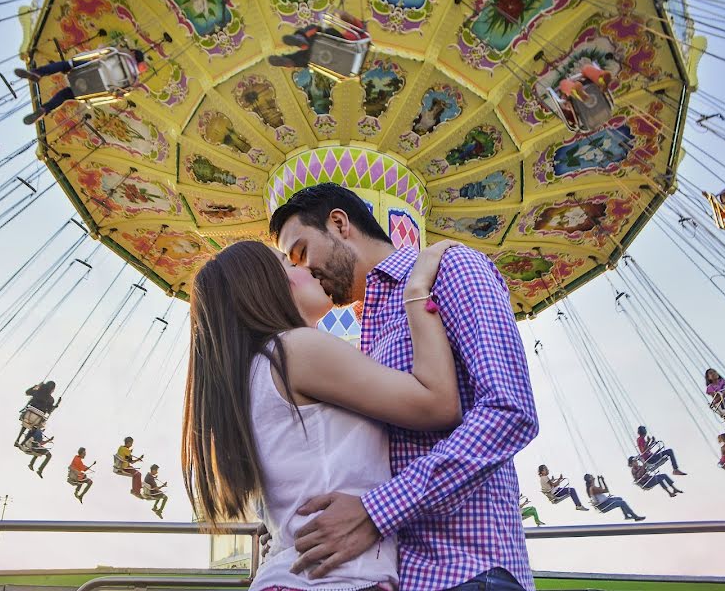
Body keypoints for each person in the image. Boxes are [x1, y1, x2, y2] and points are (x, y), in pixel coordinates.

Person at [269, 182, 539, 590]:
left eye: (302, 252)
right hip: (395, 574)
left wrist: (378, 511)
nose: (304, 272)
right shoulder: (368, 329)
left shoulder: (451, 268)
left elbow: (510, 411)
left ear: (339, 223)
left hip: (466, 568)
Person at [182, 238, 461, 591]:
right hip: (336, 580)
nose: (307, 269)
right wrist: (417, 292)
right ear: (266, 285)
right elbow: (438, 403)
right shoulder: (297, 350)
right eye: (289, 263)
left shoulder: (256, 372)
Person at [16, 49, 147, 124]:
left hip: (92, 70)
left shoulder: (121, 54)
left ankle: (37, 73)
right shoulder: (133, 79)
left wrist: (78, 59)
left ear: (133, 53)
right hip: (97, 88)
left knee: (66, 65)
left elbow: (101, 53)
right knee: (65, 95)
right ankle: (44, 110)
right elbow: (119, 95)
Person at [268, 11, 367, 69]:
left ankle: (301, 42)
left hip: (343, 44)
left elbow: (349, 18)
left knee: (316, 30)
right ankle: (292, 58)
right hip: (336, 53)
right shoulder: (358, 34)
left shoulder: (361, 30)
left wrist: (339, 14)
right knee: (308, 56)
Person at [14, 381, 59, 446]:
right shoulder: (51, 400)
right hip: (37, 420)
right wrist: (56, 406)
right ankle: (24, 442)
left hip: (28, 415)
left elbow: (27, 392)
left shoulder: (37, 392)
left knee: (26, 423)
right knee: (35, 428)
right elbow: (49, 411)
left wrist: (36, 386)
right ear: (52, 389)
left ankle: (18, 439)